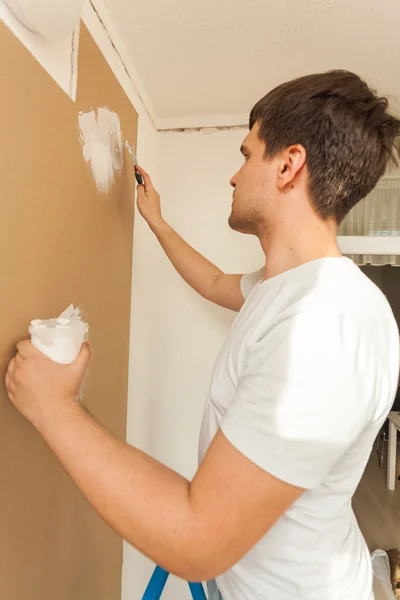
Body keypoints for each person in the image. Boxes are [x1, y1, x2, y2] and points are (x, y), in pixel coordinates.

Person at [6, 70, 400, 600]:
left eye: (246, 154)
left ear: (288, 165)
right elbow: (215, 282)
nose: (234, 177)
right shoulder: (285, 287)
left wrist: (54, 407)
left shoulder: (326, 324)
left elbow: (196, 540)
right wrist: (158, 222)